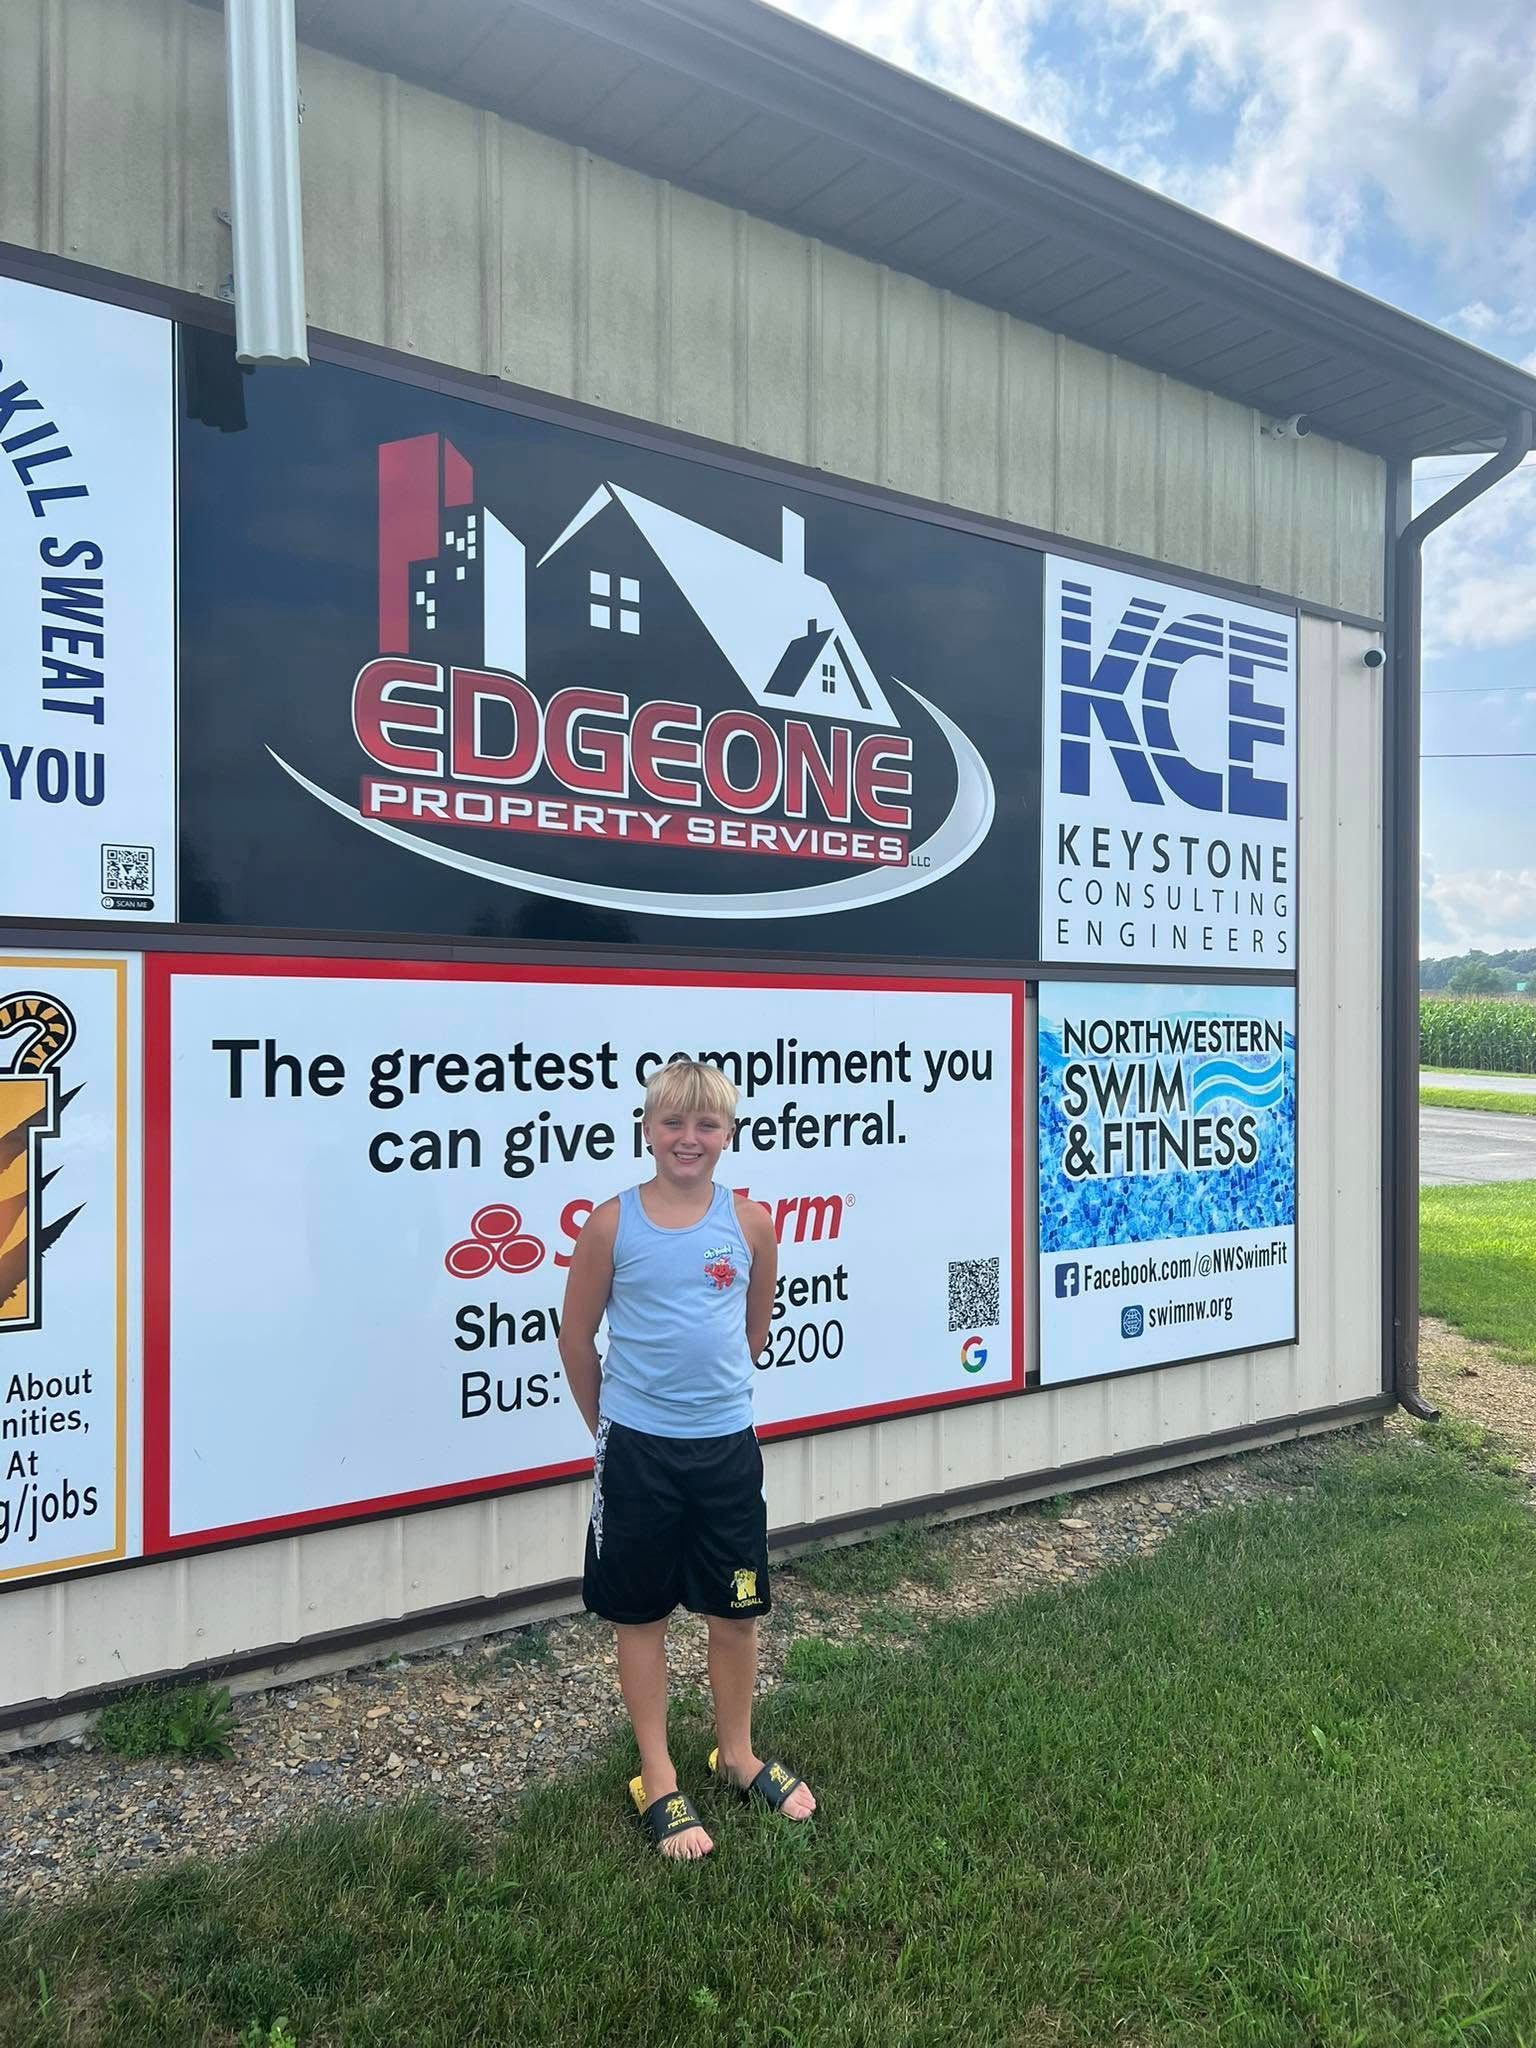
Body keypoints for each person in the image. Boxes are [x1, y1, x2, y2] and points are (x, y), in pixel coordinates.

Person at [558, 1059, 818, 1860]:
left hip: (725, 1452)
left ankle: (735, 1754)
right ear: (646, 1129)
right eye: (672, 1123)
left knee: (736, 1611)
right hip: (637, 1454)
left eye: (706, 1125)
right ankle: (659, 1775)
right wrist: (615, 1426)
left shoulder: (752, 1224)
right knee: (639, 1615)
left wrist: (707, 1408)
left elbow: (753, 1328)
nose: (689, 1139)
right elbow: (577, 1338)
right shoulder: (611, 1224)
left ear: (728, 1134)